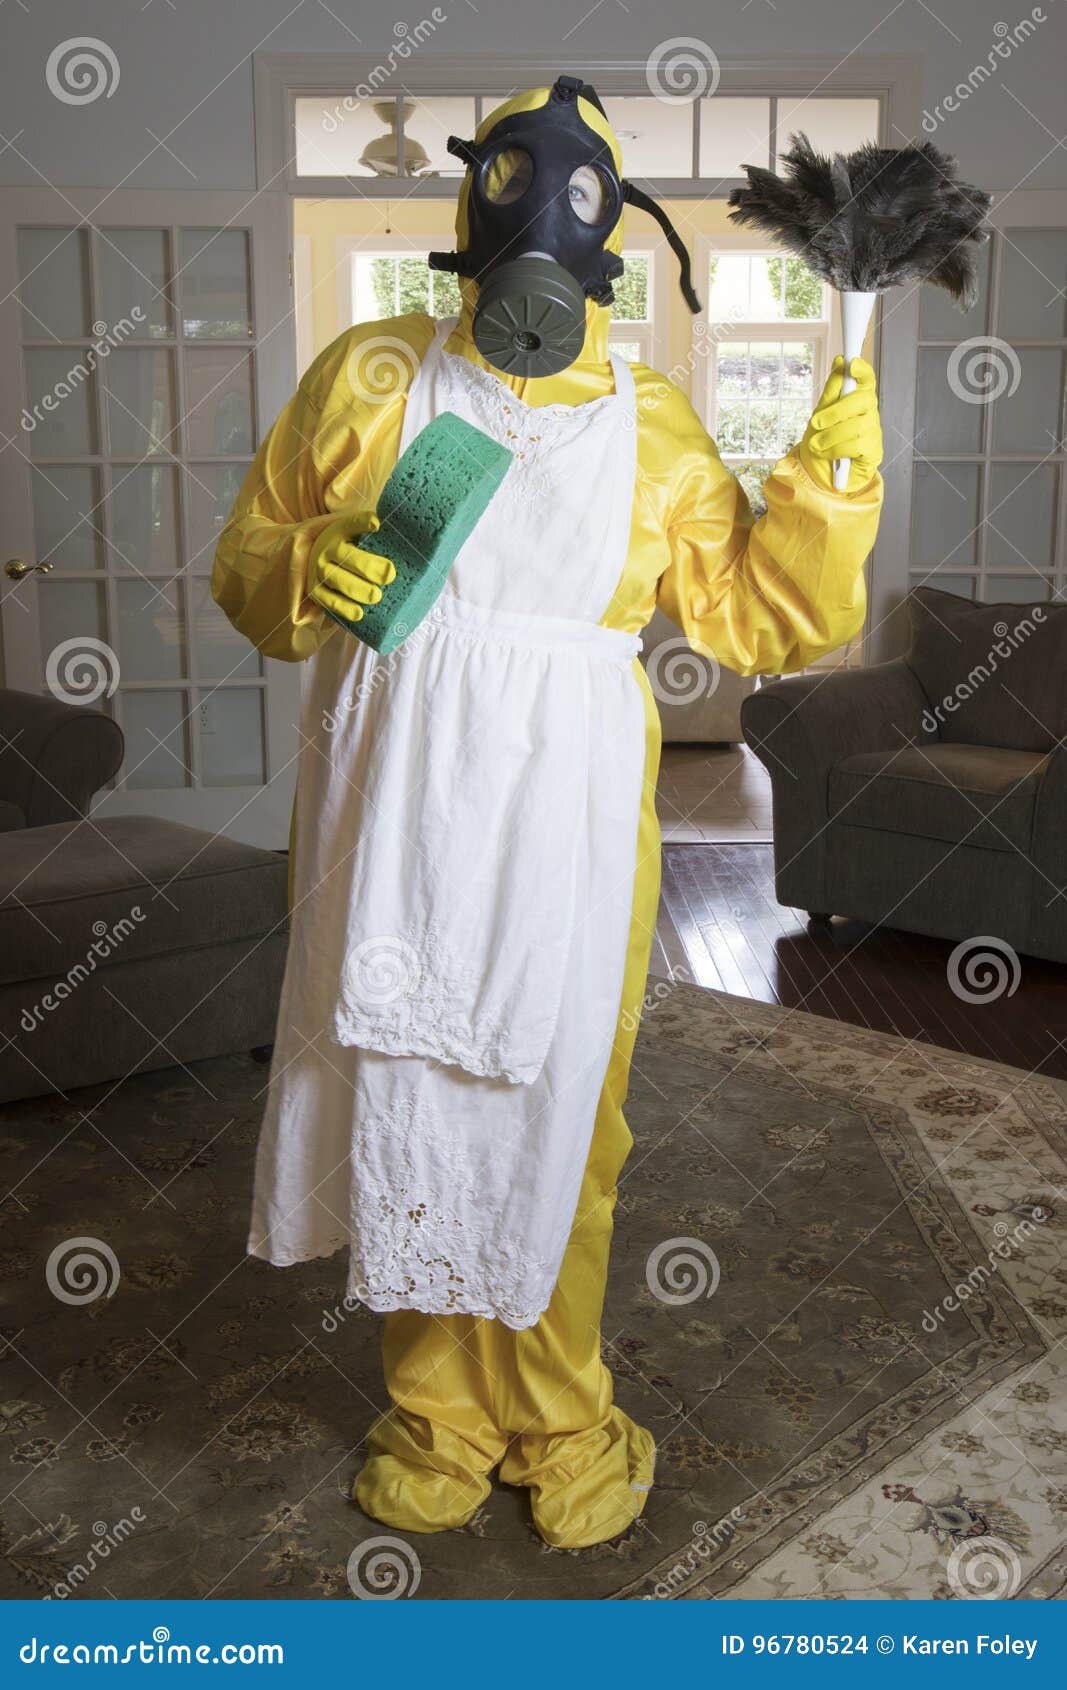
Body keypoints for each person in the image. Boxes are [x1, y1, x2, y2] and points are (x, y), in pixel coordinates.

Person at [212, 78, 883, 1551]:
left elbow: (759, 613)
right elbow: (251, 575)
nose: (539, 213)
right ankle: (439, 1410)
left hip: (564, 807)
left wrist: (832, 469)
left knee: (559, 1104)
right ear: (467, 212)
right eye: (513, 183)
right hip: (386, 797)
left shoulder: (648, 417)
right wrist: (310, 556)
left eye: (574, 195)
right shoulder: (366, 376)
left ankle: (561, 1408)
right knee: (397, 1079)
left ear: (610, 239)